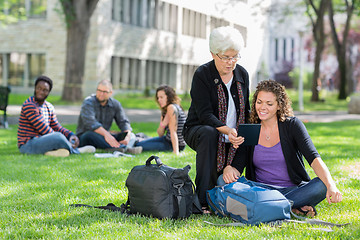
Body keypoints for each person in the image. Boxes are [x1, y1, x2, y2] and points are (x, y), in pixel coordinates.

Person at [243, 79, 342, 216]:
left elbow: (313, 158)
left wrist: (331, 184)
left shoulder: (292, 126)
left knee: (322, 184)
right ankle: (292, 207)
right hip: (261, 191)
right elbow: (238, 163)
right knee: (223, 181)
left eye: (269, 103)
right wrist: (230, 170)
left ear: (279, 105)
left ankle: (273, 207)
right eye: (259, 102)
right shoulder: (250, 127)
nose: (262, 107)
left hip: (293, 190)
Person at [183, 26, 250, 210]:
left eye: (235, 56)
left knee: (251, 138)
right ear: (213, 54)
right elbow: (204, 115)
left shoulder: (242, 74)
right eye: (226, 57)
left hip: (232, 132)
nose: (231, 62)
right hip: (198, 129)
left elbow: (245, 111)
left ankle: (240, 188)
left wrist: (241, 133)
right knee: (209, 133)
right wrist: (226, 130)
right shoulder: (202, 74)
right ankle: (203, 200)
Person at [17, 75, 95, 157]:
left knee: (59, 135)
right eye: (39, 88)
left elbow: (57, 127)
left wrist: (71, 135)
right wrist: (64, 139)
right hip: (28, 145)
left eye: (45, 90)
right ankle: (76, 150)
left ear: (49, 92)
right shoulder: (29, 105)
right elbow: (45, 130)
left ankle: (53, 152)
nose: (41, 92)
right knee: (57, 136)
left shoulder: (49, 106)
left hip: (42, 141)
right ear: (35, 88)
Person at [76, 80, 142, 154]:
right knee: (89, 135)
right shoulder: (88, 102)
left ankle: (122, 147)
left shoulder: (115, 104)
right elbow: (91, 123)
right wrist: (107, 135)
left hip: (105, 136)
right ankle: (123, 148)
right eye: (99, 90)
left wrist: (127, 135)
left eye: (105, 92)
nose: (101, 94)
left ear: (111, 93)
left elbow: (123, 122)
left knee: (130, 135)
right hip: (86, 137)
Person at [135, 85, 186, 155]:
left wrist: (176, 152)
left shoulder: (171, 108)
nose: (159, 100)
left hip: (174, 144)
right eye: (158, 97)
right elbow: (160, 134)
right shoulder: (166, 109)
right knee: (139, 143)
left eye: (161, 97)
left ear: (169, 97)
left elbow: (173, 131)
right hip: (166, 139)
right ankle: (143, 138)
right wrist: (163, 123)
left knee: (139, 145)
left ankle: (141, 139)